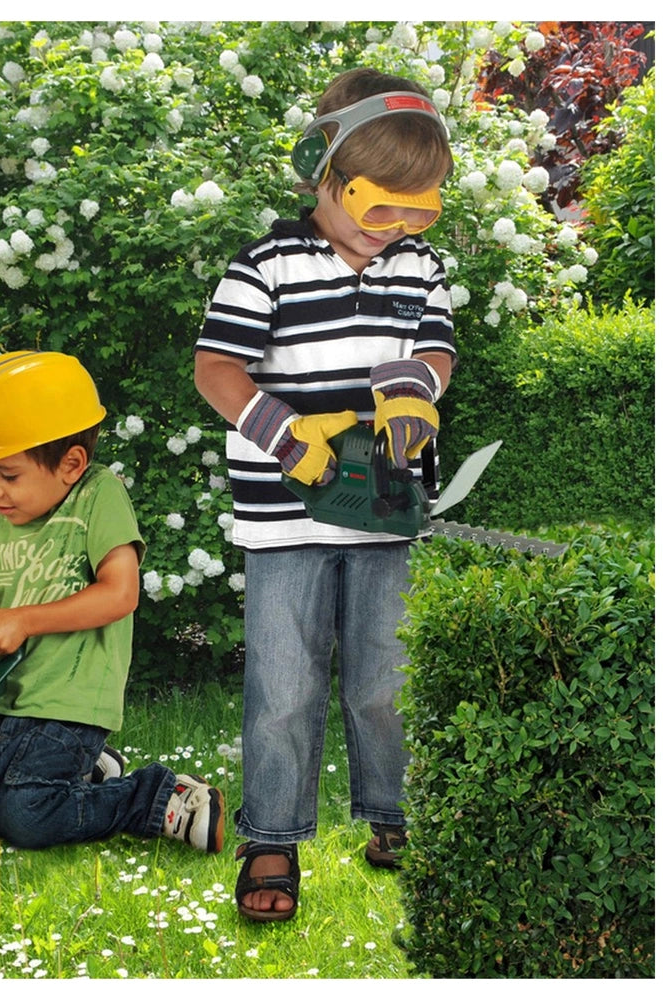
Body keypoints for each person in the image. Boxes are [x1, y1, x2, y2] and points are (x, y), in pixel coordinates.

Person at [193, 68, 456, 921]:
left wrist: (417, 385)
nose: (401, 228)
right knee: (284, 684)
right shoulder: (268, 263)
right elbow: (217, 368)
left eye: (422, 209)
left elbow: (439, 349)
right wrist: (281, 431)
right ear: (323, 174)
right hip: (285, 516)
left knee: (386, 681)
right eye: (382, 205)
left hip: (385, 513)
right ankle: (271, 835)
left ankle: (394, 815)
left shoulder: (420, 266)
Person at [0, 350, 224, 854]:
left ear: (71, 464)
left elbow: (121, 593)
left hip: (64, 705)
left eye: (8, 475)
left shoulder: (99, 497)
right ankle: (78, 776)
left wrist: (25, 620)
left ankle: (156, 797)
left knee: (26, 817)